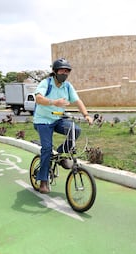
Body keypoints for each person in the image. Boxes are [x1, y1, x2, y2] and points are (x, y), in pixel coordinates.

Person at [33, 58, 93, 194]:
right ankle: (43, 180)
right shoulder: (46, 83)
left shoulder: (67, 86)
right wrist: (54, 102)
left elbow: (77, 101)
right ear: (55, 72)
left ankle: (60, 156)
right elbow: (38, 98)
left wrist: (86, 115)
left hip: (57, 119)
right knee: (47, 148)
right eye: (62, 70)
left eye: (67, 71)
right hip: (42, 121)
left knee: (75, 130)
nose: (64, 73)